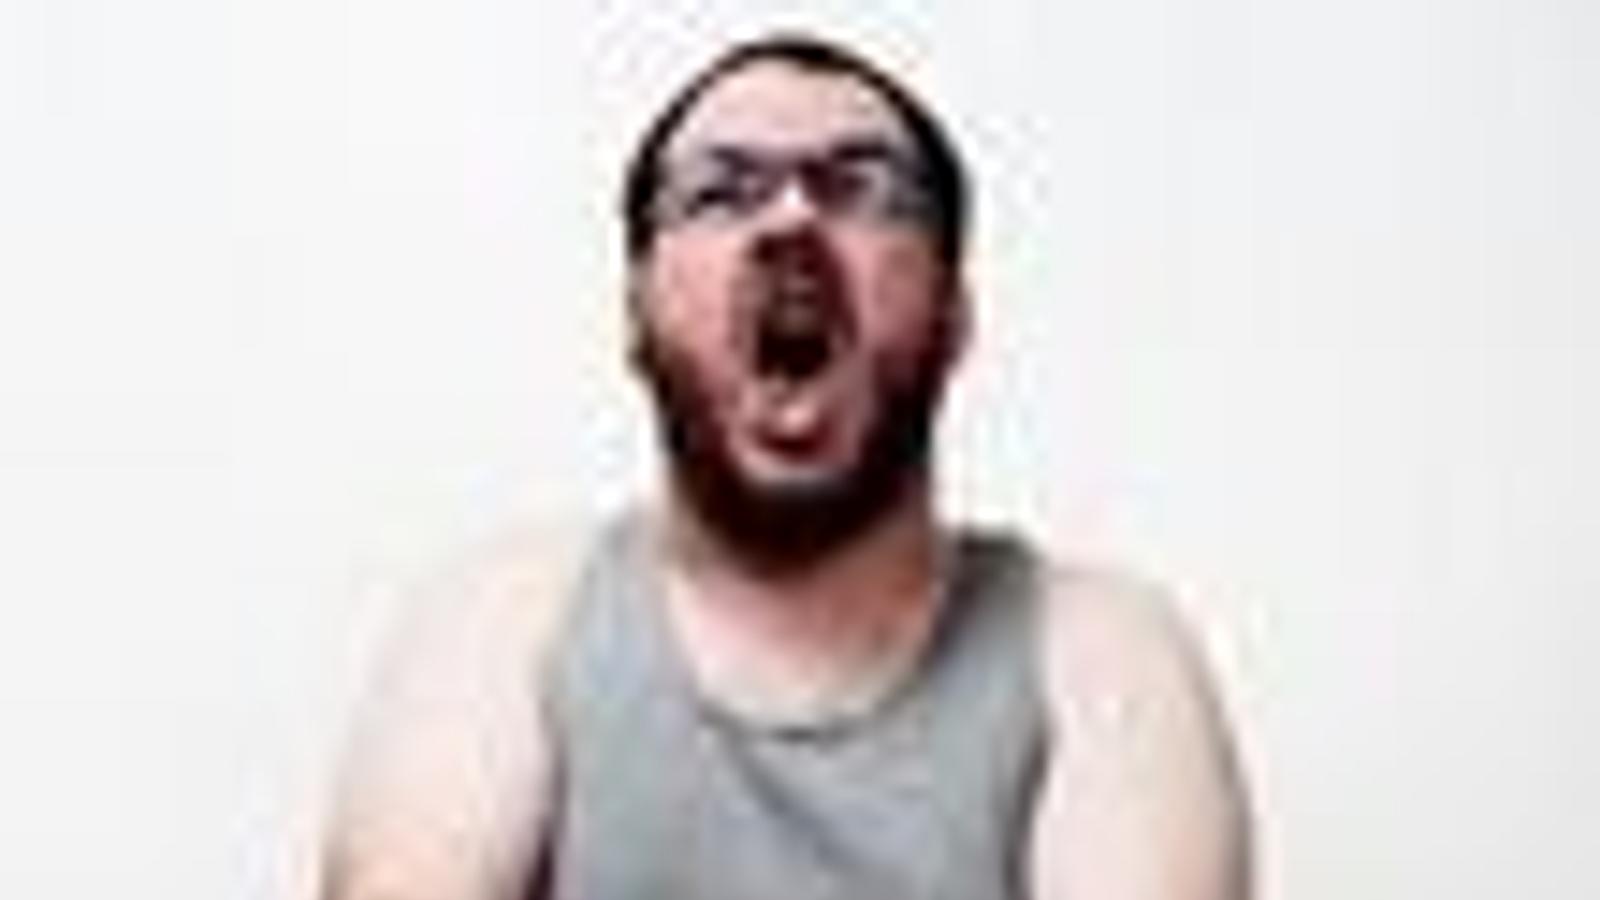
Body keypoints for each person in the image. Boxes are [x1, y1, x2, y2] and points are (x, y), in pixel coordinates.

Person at [322, 32, 1251, 900]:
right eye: (720, 193)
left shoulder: (1099, 652)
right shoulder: (509, 622)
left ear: (953, 315)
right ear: (636, 315)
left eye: (861, 189)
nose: (792, 219)